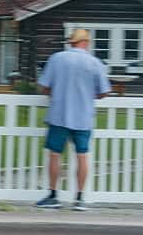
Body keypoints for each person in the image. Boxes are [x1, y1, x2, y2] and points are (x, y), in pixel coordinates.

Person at [36, 27, 113, 211]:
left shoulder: (57, 59)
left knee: (55, 154)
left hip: (59, 114)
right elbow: (104, 92)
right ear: (86, 43)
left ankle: (53, 195)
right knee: (82, 156)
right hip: (83, 116)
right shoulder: (94, 63)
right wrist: (87, 95)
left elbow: (44, 87)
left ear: (71, 42)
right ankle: (79, 198)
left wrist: (57, 93)